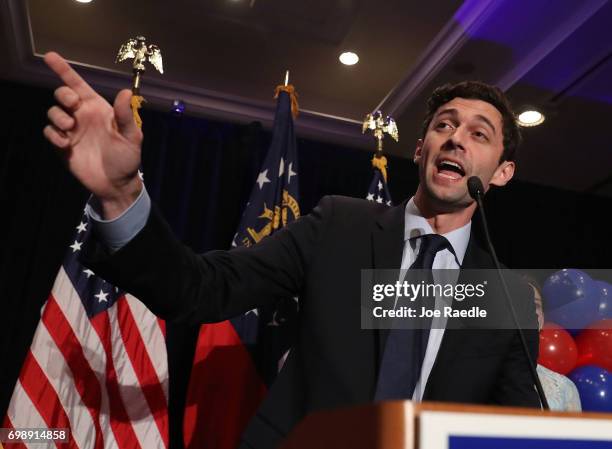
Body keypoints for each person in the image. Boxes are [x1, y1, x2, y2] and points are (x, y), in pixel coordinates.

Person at [42, 51, 540, 448]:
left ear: (501, 173)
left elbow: (513, 428)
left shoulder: (508, 298)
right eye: (444, 126)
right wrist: (120, 194)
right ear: (420, 148)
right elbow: (203, 288)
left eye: (479, 135)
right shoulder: (340, 226)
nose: (456, 140)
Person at [525, 278, 582, 412]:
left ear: (542, 318)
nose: (529, 311)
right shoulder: (485, 377)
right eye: (521, 302)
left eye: (535, 305)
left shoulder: (565, 388)